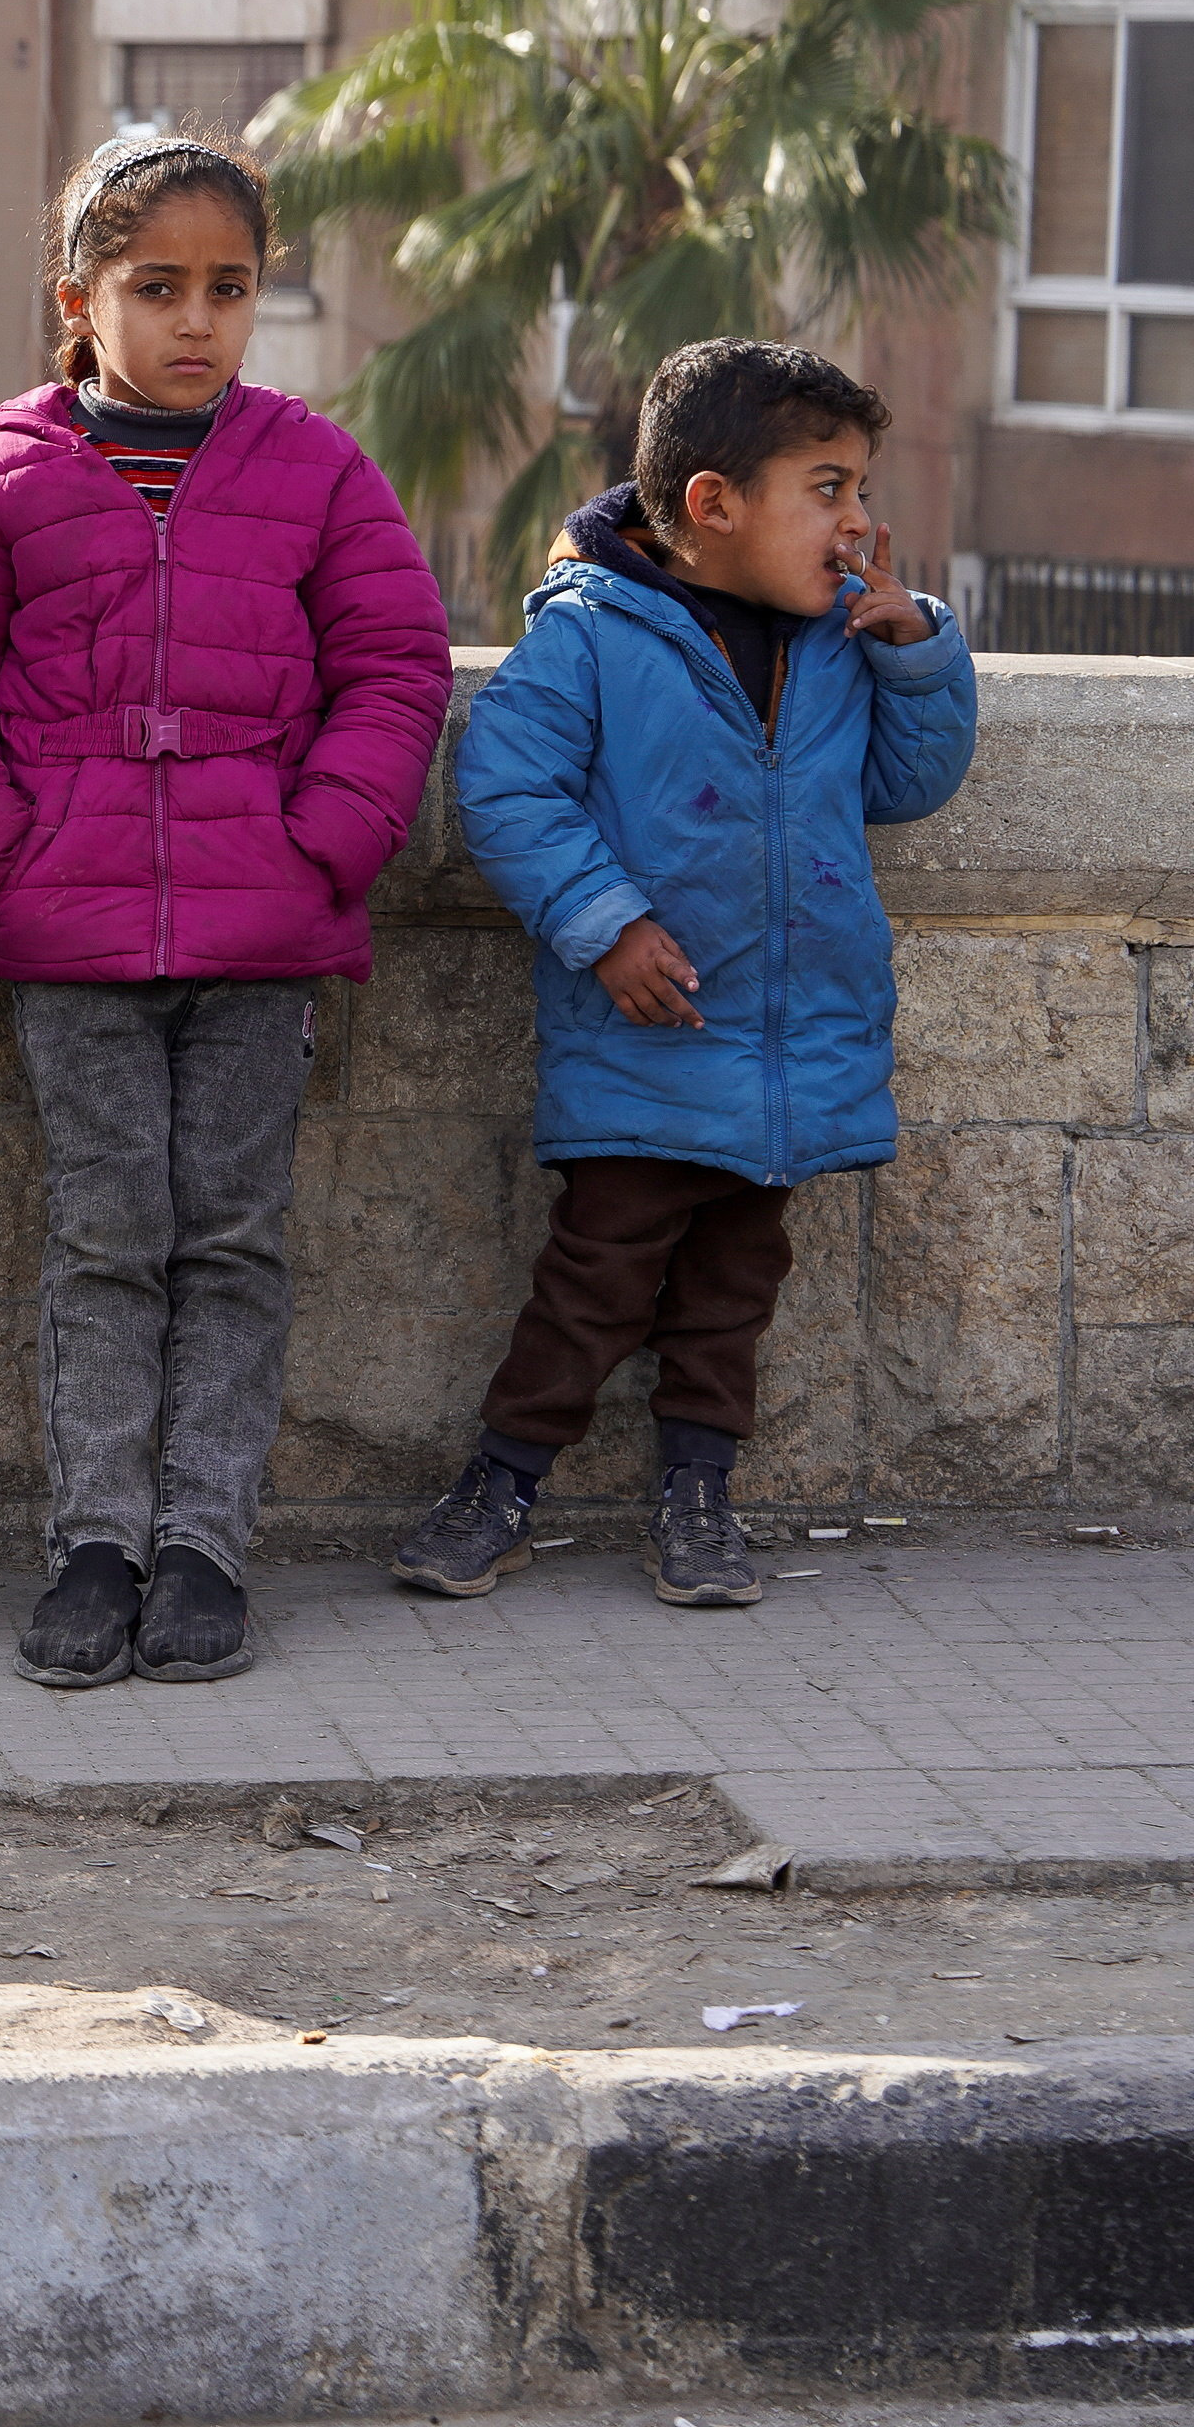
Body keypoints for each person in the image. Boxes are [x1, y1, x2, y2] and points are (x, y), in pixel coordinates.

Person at [0, 132, 451, 1690]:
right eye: (158, 288)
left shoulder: (318, 468)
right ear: (80, 299)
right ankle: (97, 1548)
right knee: (107, 1238)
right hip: (70, 936)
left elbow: (395, 667)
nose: (197, 320)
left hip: (262, 934)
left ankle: (203, 1546)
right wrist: (4, 852)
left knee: (232, 1242)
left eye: (229, 288)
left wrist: (325, 843)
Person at [398, 340, 975, 1610]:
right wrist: (604, 924)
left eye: (861, 489)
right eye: (826, 489)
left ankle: (699, 1498)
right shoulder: (592, 634)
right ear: (712, 504)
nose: (857, 521)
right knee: (592, 1283)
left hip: (787, 1049)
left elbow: (906, 784)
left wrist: (916, 650)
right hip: (651, 1039)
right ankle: (501, 1482)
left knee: (732, 1294)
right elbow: (507, 787)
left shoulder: (842, 642)